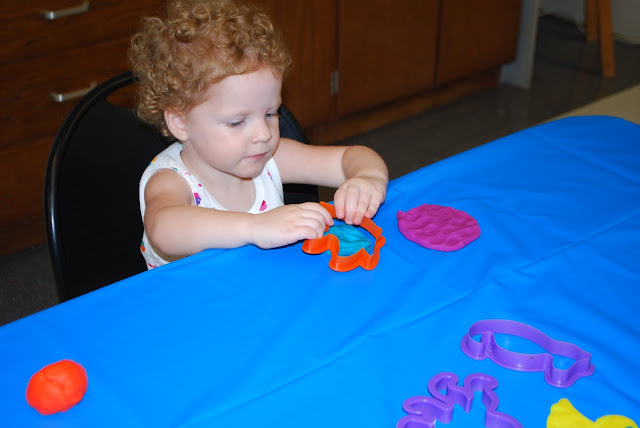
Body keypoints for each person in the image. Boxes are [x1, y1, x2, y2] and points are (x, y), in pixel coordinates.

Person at [129, 0, 388, 269]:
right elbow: (164, 229)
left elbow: (350, 157)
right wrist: (254, 227)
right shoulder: (171, 179)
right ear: (180, 122)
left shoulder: (269, 158)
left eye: (270, 113)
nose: (263, 134)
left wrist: (368, 178)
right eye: (237, 122)